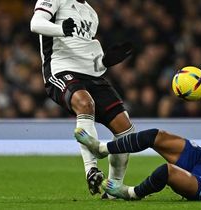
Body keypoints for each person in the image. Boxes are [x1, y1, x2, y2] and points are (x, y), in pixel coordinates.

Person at [30, 0, 134, 197]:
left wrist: (105, 61)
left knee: (126, 129)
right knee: (85, 103)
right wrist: (60, 28)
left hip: (92, 75)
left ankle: (113, 189)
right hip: (61, 70)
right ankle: (91, 170)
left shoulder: (91, 14)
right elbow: (35, 23)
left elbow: (90, 59)